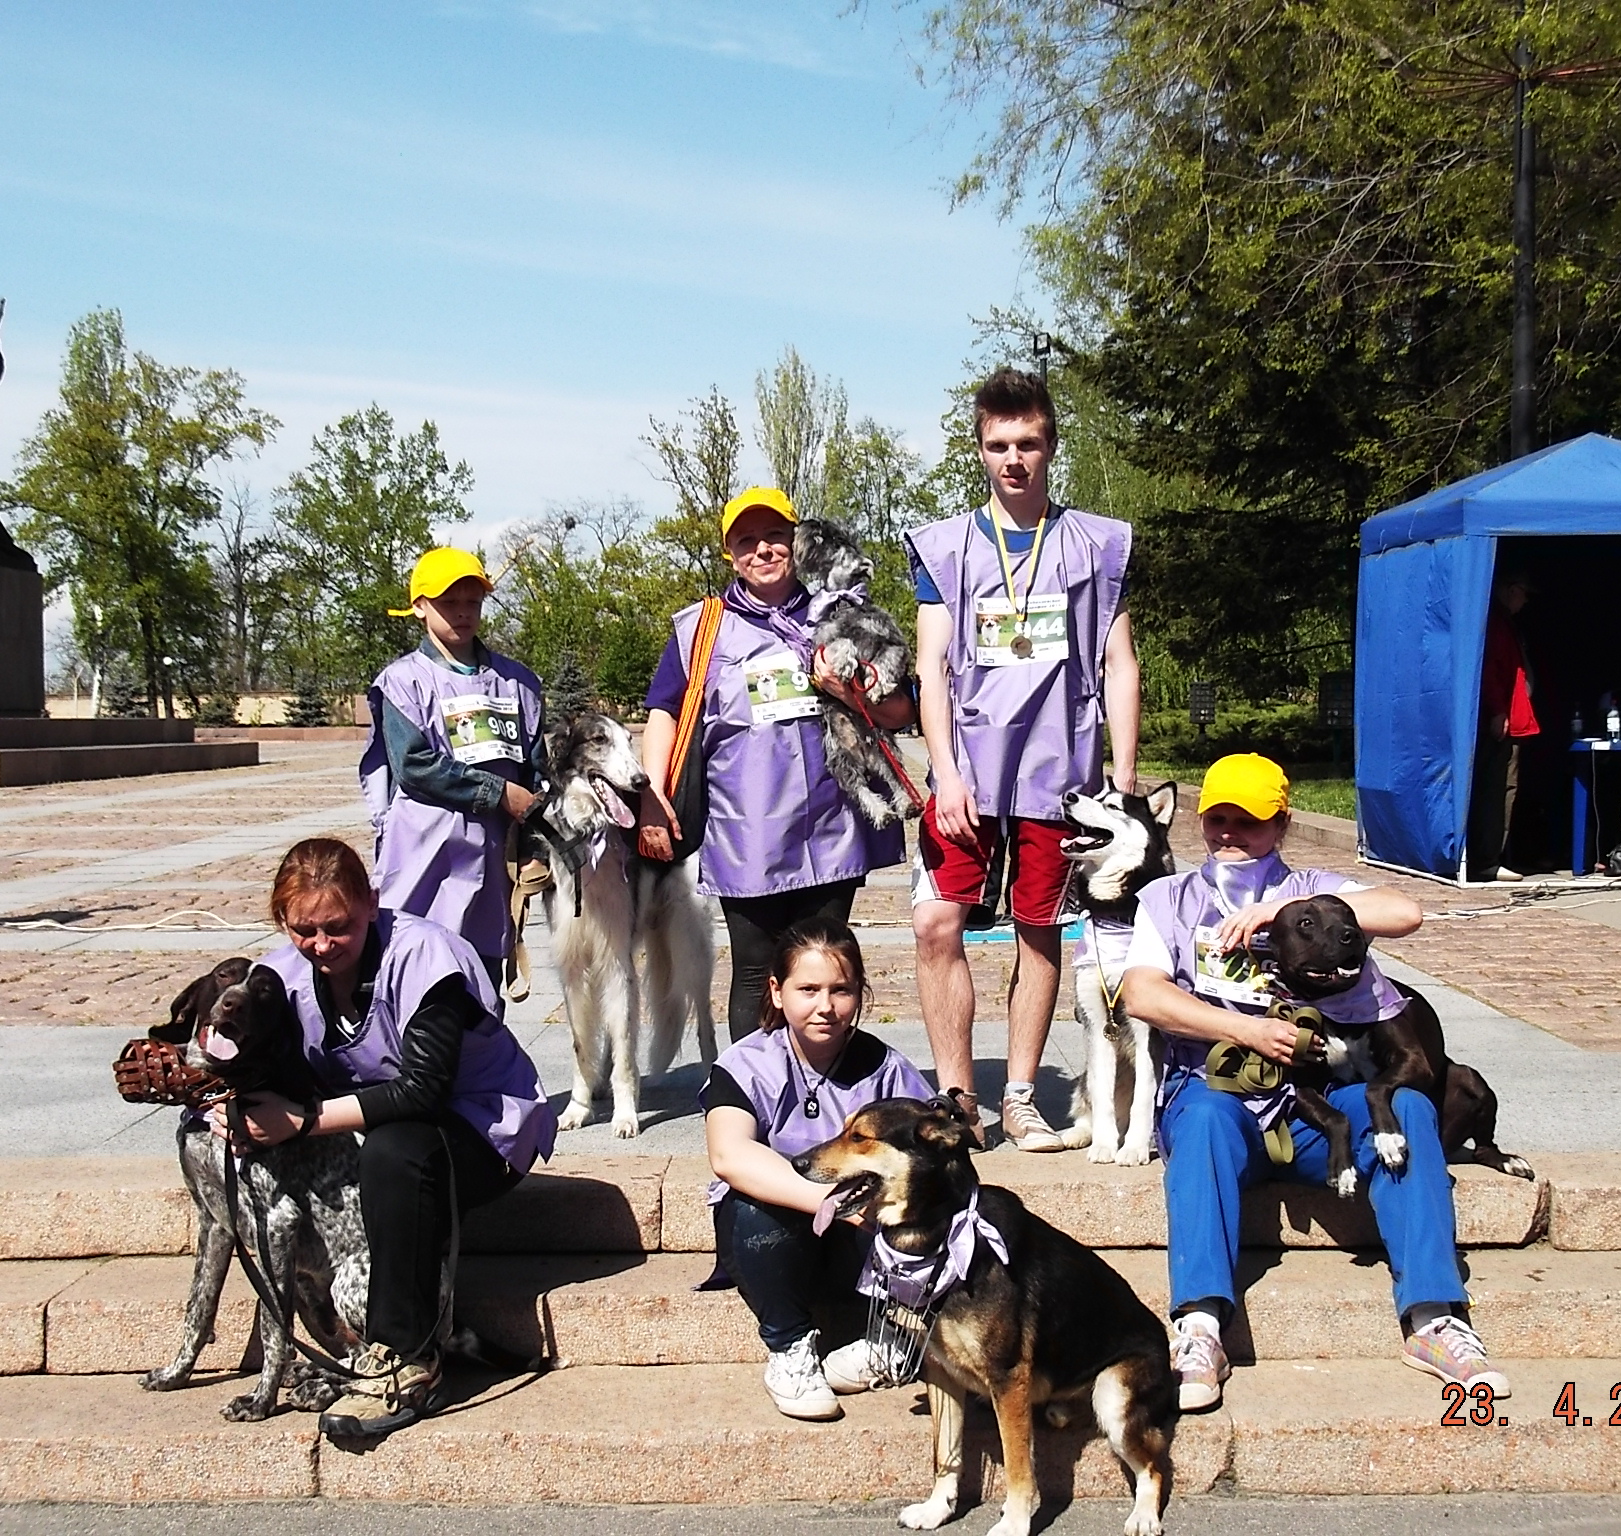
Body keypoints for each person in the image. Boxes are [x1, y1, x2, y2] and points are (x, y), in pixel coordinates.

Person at [1119, 754, 1507, 1413]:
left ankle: (1433, 1318)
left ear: (1281, 825)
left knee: (1408, 1107)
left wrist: (1282, 909)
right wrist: (1243, 1031)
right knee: (1205, 1119)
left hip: (1319, 1100)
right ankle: (1201, 1327)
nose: (1229, 833)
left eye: (1249, 821)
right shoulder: (1168, 899)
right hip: (1220, 1091)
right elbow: (1142, 995)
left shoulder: (1313, 887)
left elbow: (1404, 910)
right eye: (1217, 819)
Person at [219, 837, 555, 1438]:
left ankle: (407, 1355)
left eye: (338, 927)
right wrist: (230, 1109)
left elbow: (423, 1091)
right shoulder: (279, 977)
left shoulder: (424, 955)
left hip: (484, 1129)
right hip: (375, 1134)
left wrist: (299, 1120)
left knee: (395, 1150)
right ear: (282, 922)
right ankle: (336, 1332)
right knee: (358, 1152)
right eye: (304, 930)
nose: (322, 945)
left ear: (372, 904)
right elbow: (248, 1062)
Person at [907, 367, 1141, 1150]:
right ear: (979, 450)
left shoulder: (1096, 545)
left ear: (1050, 447)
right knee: (937, 924)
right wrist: (944, 772)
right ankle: (956, 1101)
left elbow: (1120, 664)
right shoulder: (944, 548)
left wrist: (1123, 780)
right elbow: (932, 667)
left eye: (1028, 443)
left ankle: (1018, 1095)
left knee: (1040, 929)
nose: (1014, 459)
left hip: (1059, 771)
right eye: (999, 444)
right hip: (970, 770)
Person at [639, 487, 913, 1042]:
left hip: (831, 826)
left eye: (774, 536)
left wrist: (846, 688)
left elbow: (902, 709)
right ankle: (753, 1086)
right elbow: (664, 710)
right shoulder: (701, 628)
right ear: (729, 553)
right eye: (746, 540)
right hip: (748, 830)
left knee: (826, 966)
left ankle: (824, 1078)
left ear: (796, 541)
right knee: (754, 968)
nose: (762, 549)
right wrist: (653, 794)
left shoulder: (839, 615)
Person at [701, 917, 933, 1419]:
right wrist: (835, 1204)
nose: (825, 1006)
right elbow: (729, 1155)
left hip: (864, 1246)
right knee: (750, 1209)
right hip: (778, 1240)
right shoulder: (745, 1064)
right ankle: (789, 1349)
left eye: (840, 990)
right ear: (776, 991)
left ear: (859, 993)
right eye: (807, 989)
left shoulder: (888, 1069)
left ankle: (894, 1336)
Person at [360, 548, 544, 986]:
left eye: (472, 602)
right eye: (449, 603)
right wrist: (497, 793)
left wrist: (535, 844)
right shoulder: (402, 682)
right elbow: (414, 765)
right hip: (424, 858)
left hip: (494, 863)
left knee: (483, 983)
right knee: (418, 977)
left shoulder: (518, 683)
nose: (463, 613)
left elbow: (535, 770)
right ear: (420, 607)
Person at [1467, 568, 1538, 883]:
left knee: (1502, 786)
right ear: (1511, 590)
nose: (1525, 601)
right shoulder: (1496, 623)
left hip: (1511, 715)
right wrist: (1498, 710)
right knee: (1498, 788)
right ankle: (1486, 859)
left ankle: (1490, 856)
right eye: (1524, 594)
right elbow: (1491, 669)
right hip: (1502, 718)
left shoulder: (1502, 622)